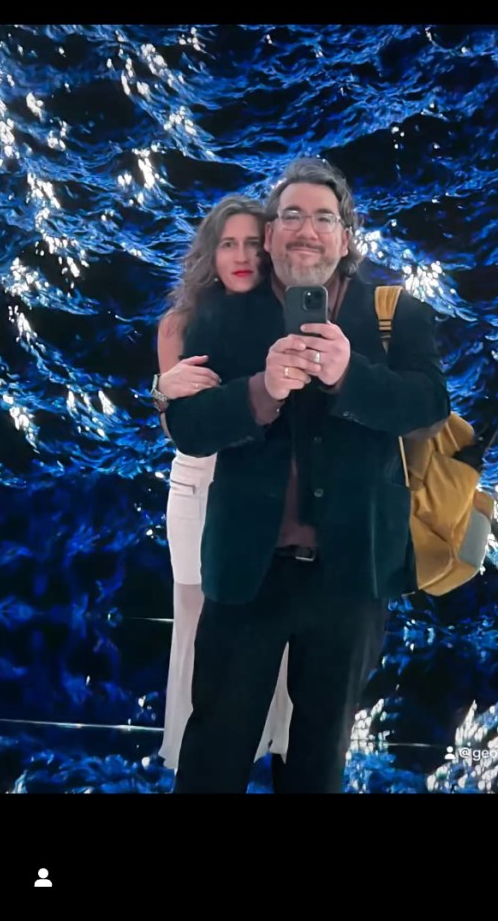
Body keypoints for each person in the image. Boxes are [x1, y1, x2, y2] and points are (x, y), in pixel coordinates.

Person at [165, 158, 451, 794]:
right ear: (270, 236)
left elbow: (430, 410)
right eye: (290, 215)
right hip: (248, 573)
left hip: (350, 579)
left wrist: (352, 377)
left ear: (345, 239)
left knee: (319, 763)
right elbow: (189, 427)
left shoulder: (394, 312)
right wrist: (261, 390)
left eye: (324, 218)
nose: (305, 229)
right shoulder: (222, 314)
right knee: (214, 751)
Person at [153, 194, 293, 777]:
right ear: (211, 254)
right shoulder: (179, 323)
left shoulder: (283, 315)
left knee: (277, 614)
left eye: (253, 244)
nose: (241, 256)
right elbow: (173, 428)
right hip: (198, 484)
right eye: (228, 244)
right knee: (195, 618)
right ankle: (189, 754)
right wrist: (165, 387)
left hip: (263, 485)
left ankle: (277, 747)